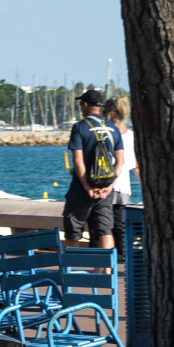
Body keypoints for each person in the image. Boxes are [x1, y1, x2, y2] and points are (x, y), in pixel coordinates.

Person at [62, 89, 125, 248]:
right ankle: (106, 271)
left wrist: (87, 187)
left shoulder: (80, 127)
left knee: (73, 230)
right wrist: (109, 187)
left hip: (81, 189)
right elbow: (120, 161)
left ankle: (71, 269)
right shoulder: (112, 127)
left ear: (84, 105)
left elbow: (77, 161)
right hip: (105, 188)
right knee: (105, 230)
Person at [103, 95, 140, 250]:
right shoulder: (131, 135)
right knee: (121, 230)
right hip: (124, 189)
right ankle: (122, 265)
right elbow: (136, 166)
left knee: (104, 230)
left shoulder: (104, 133)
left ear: (111, 114)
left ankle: (105, 268)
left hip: (105, 188)